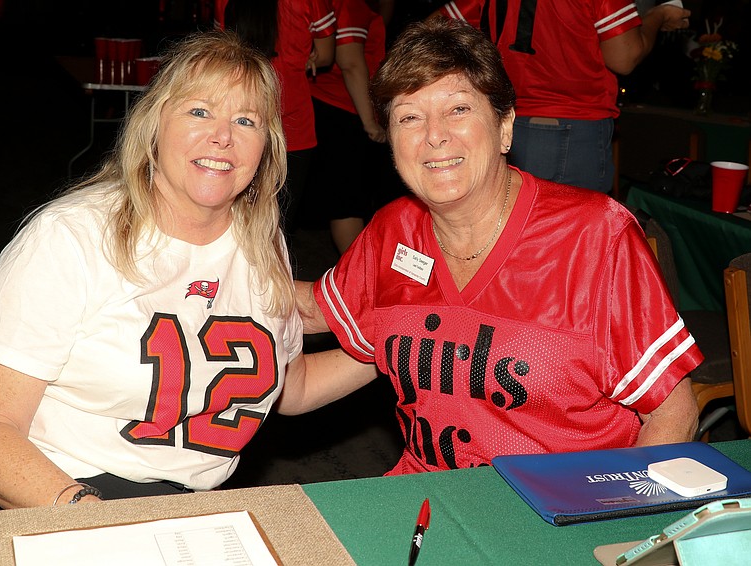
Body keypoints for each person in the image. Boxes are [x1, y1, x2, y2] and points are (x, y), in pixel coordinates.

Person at [281, 20, 702, 476]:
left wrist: (609, 511)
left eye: (458, 109)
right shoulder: (393, 230)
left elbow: (673, 413)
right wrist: (201, 268)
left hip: (562, 511)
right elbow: (309, 310)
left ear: (505, 127)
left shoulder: (596, 234)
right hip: (425, 496)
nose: (434, 135)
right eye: (409, 116)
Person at [0, 30, 303, 516]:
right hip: (30, 486)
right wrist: (99, 522)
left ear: (266, 145)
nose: (222, 135)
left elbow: (295, 384)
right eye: (199, 111)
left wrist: (391, 336)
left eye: (245, 119)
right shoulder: (69, 236)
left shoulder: (262, 244)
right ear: (154, 125)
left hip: (160, 503)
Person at [429, 0, 692, 193]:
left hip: (503, 127)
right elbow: (625, 57)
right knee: (573, 247)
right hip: (571, 129)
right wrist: (658, 16)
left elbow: (433, 29)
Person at [216, 0, 337, 233]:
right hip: (293, 123)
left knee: (235, 218)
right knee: (279, 226)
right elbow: (325, 55)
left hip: (241, 116)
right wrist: (304, 58)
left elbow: (222, 50)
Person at [307, 0, 397, 253]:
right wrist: (371, 122)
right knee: (346, 203)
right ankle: (360, 279)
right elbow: (350, 61)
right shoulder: (351, 4)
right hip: (342, 109)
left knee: (346, 200)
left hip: (330, 105)